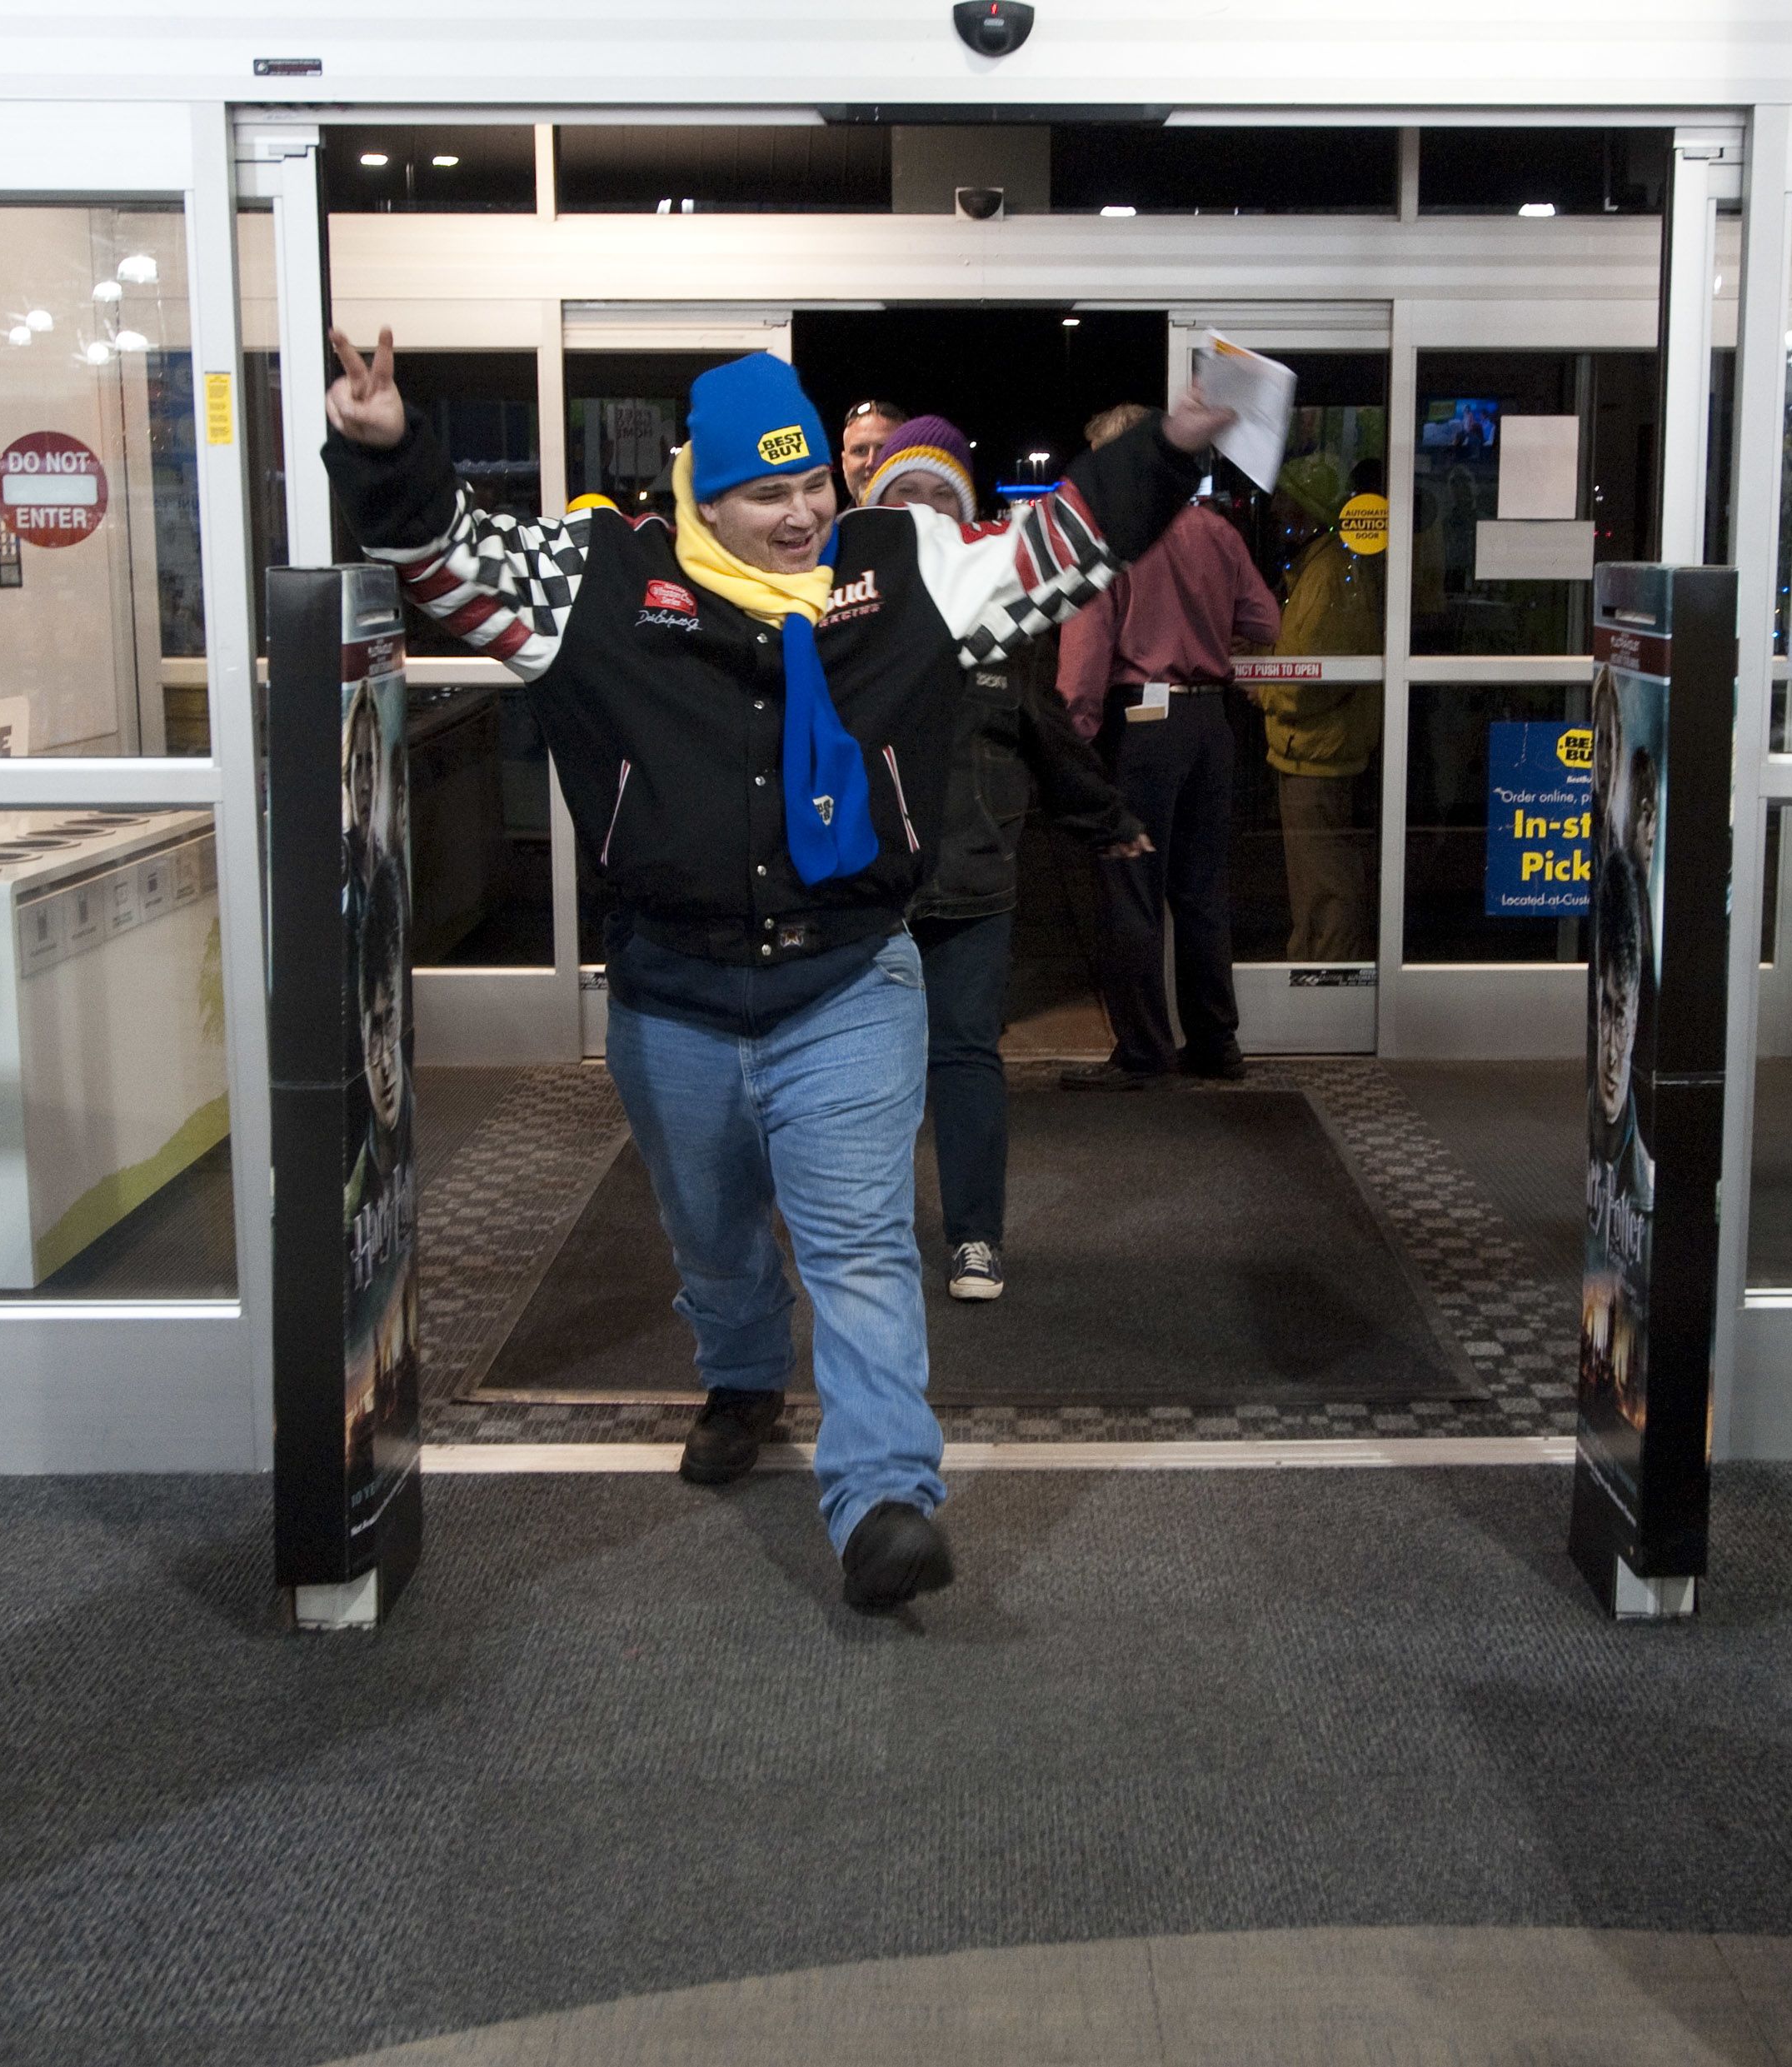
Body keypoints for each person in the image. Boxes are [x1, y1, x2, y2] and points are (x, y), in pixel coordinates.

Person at [322, 332, 1229, 1610]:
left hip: (848, 981)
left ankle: (883, 1501)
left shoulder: (899, 567)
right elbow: (440, 553)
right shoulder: (599, 581)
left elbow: (1059, 548)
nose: (803, 513)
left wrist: (1166, 453)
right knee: (714, 1240)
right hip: (671, 996)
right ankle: (742, 1378)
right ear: (701, 495)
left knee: (857, 1244)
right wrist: (384, 447)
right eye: (766, 494)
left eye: (811, 483)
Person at [866, 415, 1154, 1304]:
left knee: (962, 1057)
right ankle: (864, 1239)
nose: (918, 513)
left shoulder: (1001, 620)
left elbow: (1044, 732)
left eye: (938, 496)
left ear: (966, 514)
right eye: (899, 496)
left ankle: (974, 1240)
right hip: (863, 887)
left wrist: (1105, 817)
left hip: (975, 876)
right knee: (859, 1068)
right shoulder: (838, 613)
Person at [1056, 403, 1281, 1091]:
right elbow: (1264, 622)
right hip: (1210, 727)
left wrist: (1073, 747)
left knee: (1130, 892)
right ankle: (1215, 1043)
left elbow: (1086, 654)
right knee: (1202, 890)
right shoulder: (1215, 532)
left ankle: (1144, 1050)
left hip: (1141, 727)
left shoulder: (1111, 539)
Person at [1255, 457, 1388, 962]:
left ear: (1310, 510)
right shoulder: (1320, 568)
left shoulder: (1328, 574)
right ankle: (1312, 965)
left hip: (1318, 750)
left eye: (1287, 499)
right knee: (1314, 878)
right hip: (1310, 749)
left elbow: (1310, 679)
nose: (1276, 510)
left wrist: (1262, 685)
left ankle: (1329, 974)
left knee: (1325, 878)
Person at [838, 398, 907, 507]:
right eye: (860, 450)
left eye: (885, 450)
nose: (871, 462)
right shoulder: (827, 523)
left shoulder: (936, 523)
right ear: (844, 463)